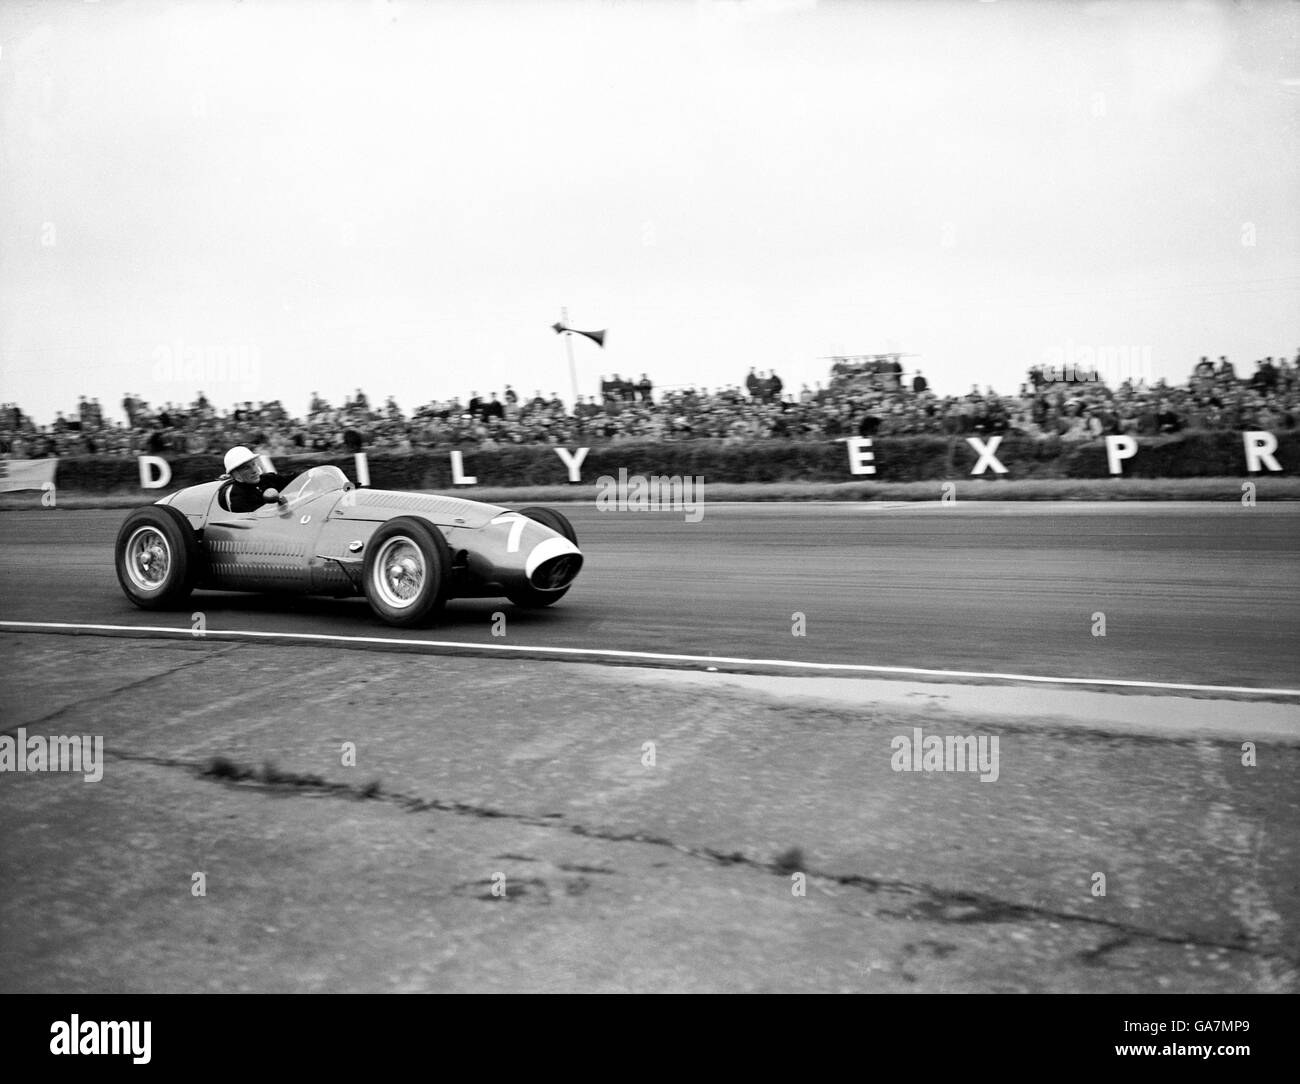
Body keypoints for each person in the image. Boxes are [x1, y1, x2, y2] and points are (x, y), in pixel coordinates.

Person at [222, 446, 296, 512]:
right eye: (246, 468)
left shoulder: (267, 478)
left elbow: (293, 480)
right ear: (236, 474)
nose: (254, 470)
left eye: (254, 464)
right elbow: (257, 521)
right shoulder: (237, 498)